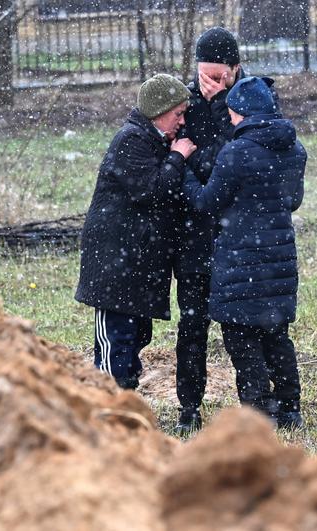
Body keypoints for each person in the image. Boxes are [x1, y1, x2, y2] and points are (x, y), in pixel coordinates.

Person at [182, 76, 307, 429]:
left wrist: (186, 172)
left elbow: (207, 202)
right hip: (279, 259)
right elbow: (292, 200)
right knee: (276, 336)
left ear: (242, 113)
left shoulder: (236, 152)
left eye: (233, 115)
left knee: (241, 337)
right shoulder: (294, 149)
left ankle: (258, 409)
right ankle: (290, 409)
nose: (231, 121)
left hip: (241, 258)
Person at [75, 74, 197, 390]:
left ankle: (124, 398)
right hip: (115, 264)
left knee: (136, 334)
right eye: (178, 114)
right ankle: (110, 403)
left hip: (134, 263)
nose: (182, 122)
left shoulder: (152, 140)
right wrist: (177, 157)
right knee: (117, 338)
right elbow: (153, 192)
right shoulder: (131, 140)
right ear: (158, 111)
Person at [172, 26, 246, 434]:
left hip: (237, 239)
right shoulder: (185, 104)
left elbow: (233, 161)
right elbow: (183, 158)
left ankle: (257, 405)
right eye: (205, 76)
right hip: (194, 236)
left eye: (220, 76)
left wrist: (220, 105)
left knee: (243, 327)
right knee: (192, 326)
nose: (211, 84)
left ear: (236, 68)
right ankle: (189, 408)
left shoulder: (252, 101)